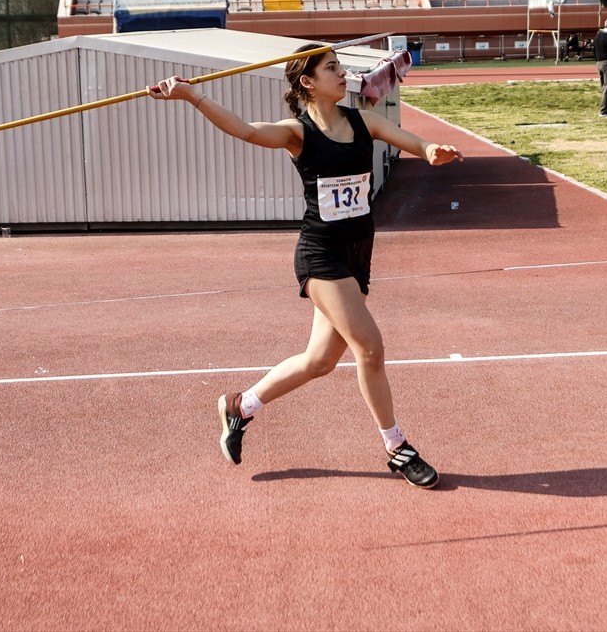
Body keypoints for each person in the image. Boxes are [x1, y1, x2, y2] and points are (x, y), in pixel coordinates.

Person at [147, 44, 463, 489]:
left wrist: (432, 150)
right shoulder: (297, 133)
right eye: (331, 68)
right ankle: (397, 447)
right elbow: (245, 131)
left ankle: (241, 406)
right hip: (321, 254)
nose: (341, 74)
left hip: (358, 253)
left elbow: (416, 143)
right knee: (369, 347)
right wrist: (192, 95)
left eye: (340, 66)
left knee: (319, 361)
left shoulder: (363, 120)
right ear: (308, 83)